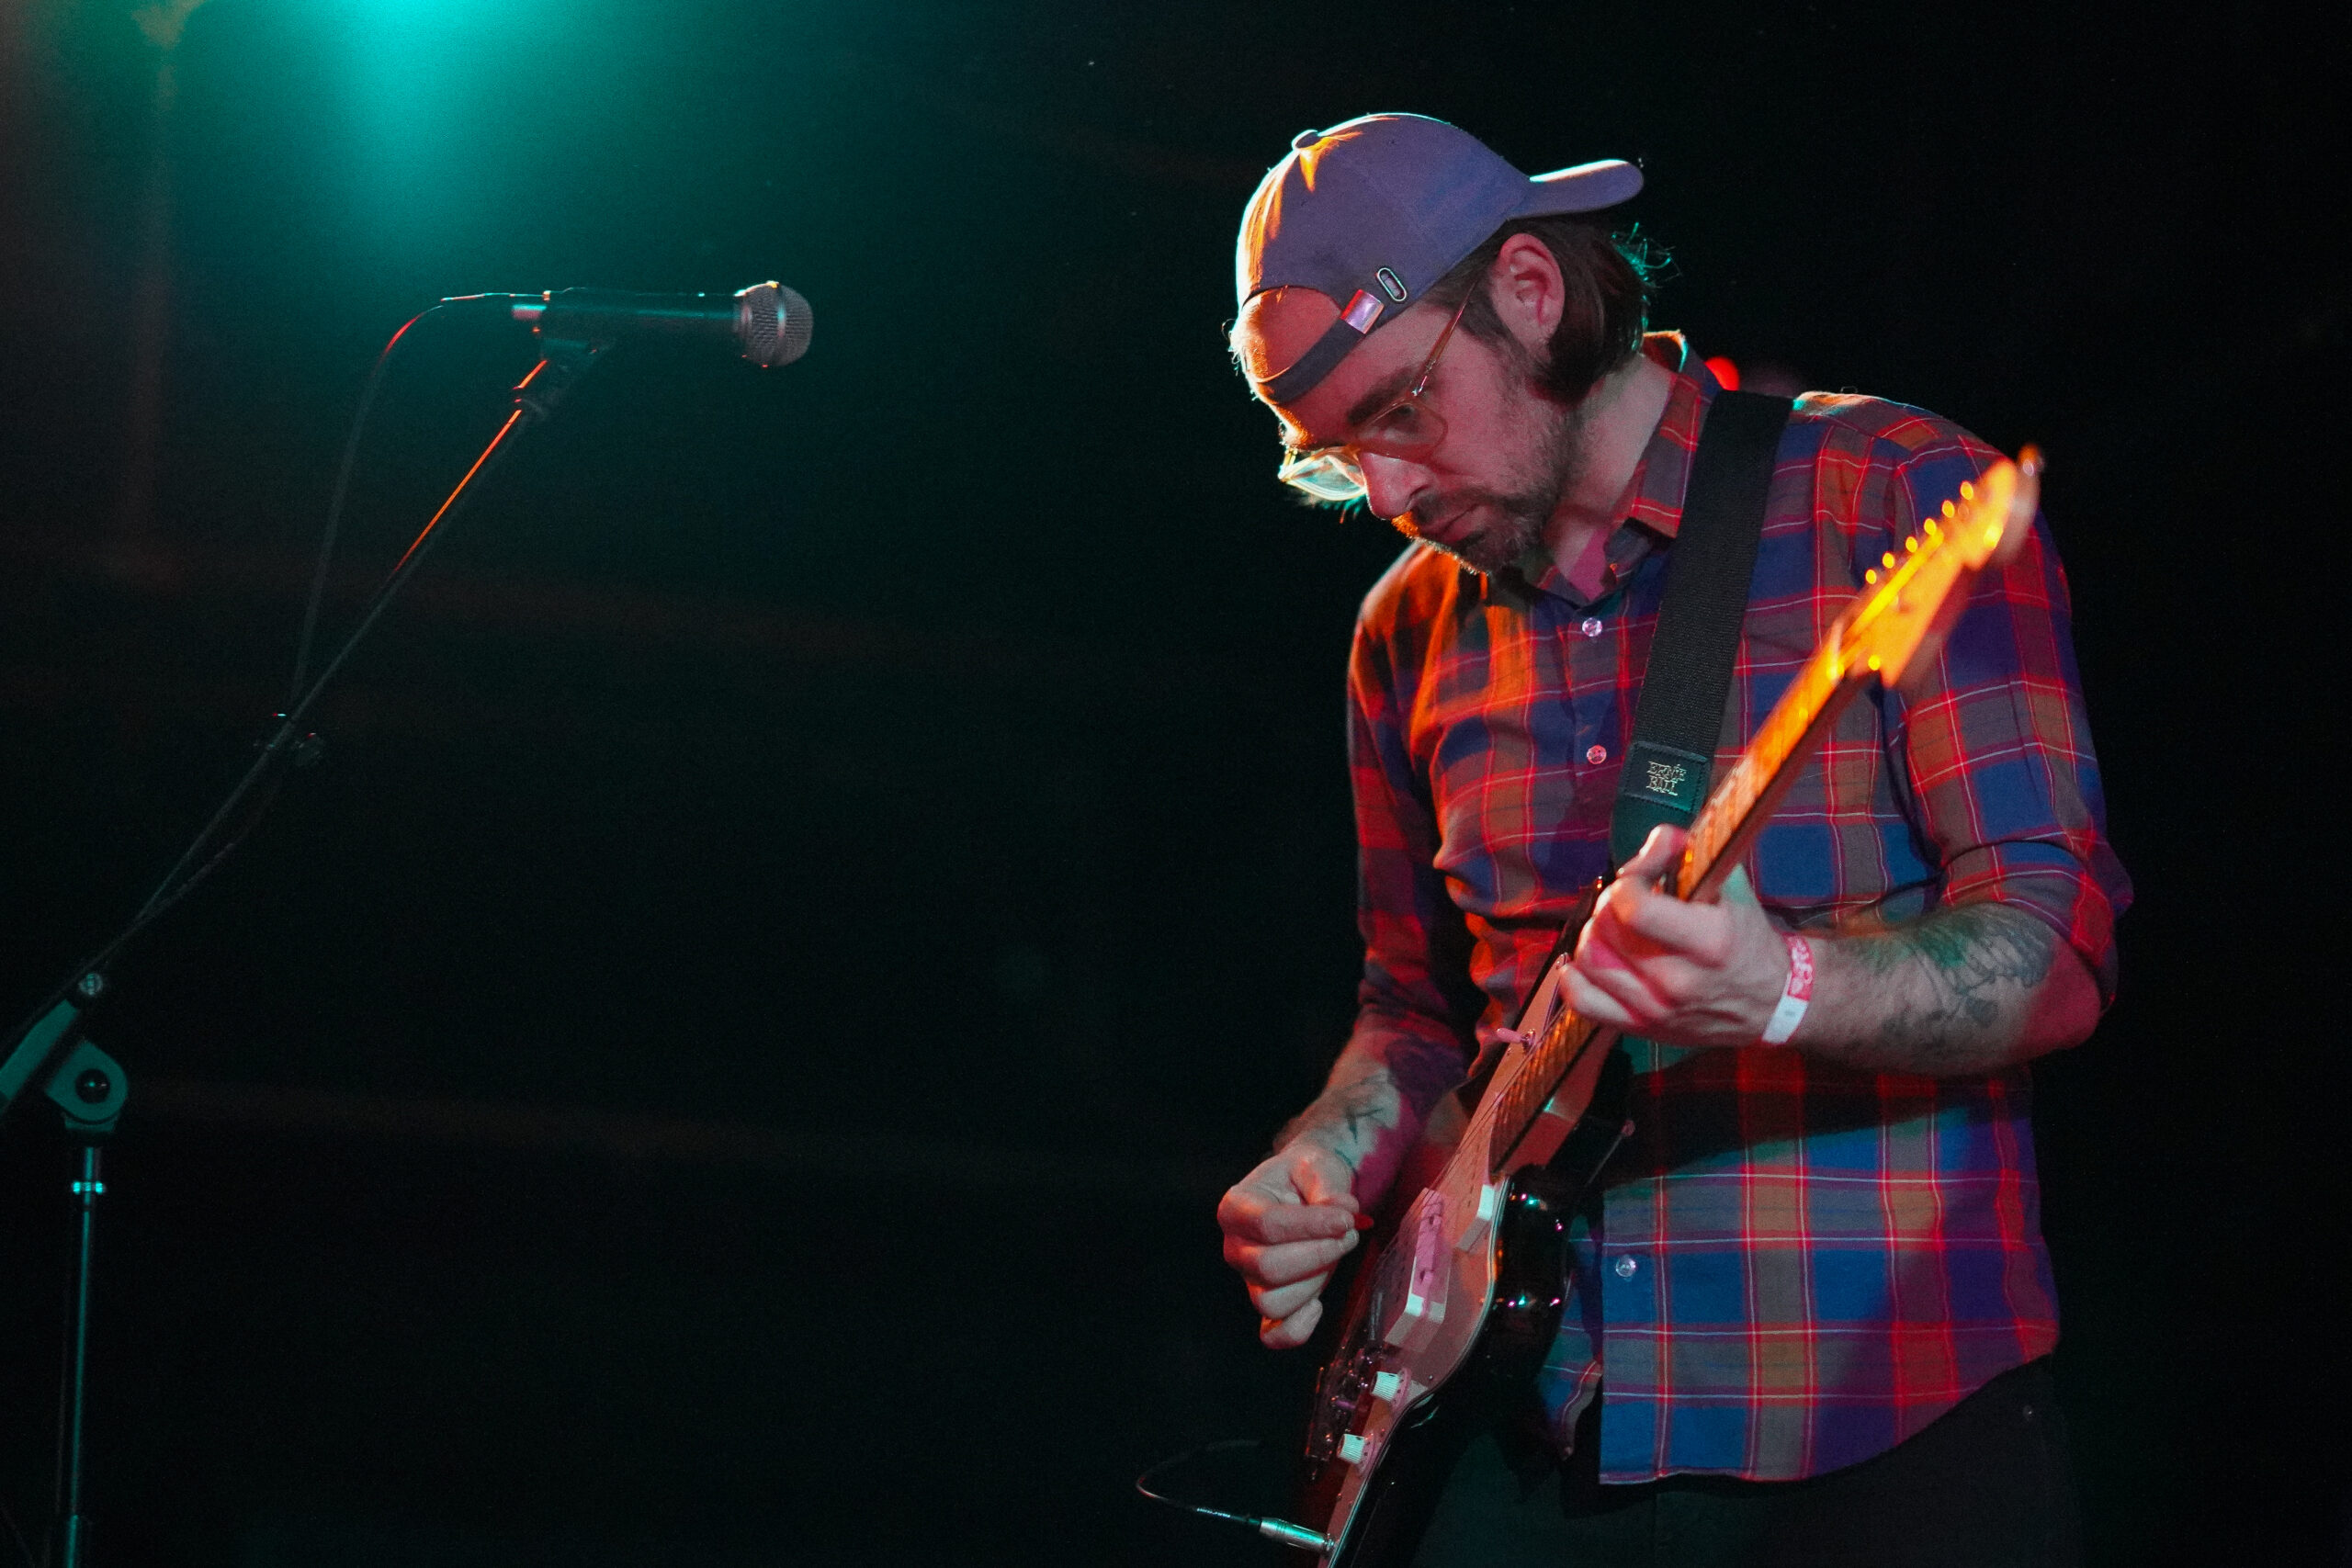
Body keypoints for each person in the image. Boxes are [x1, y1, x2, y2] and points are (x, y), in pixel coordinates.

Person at [1214, 114, 2130, 1566]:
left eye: (1399, 413)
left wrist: (1786, 991)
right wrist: (1326, 1156)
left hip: (1878, 1427)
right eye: (1335, 459)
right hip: (1521, 1438)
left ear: (1529, 291)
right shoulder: (1404, 631)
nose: (1383, 495)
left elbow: (2053, 949)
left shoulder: (1890, 492)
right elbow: (1413, 1013)